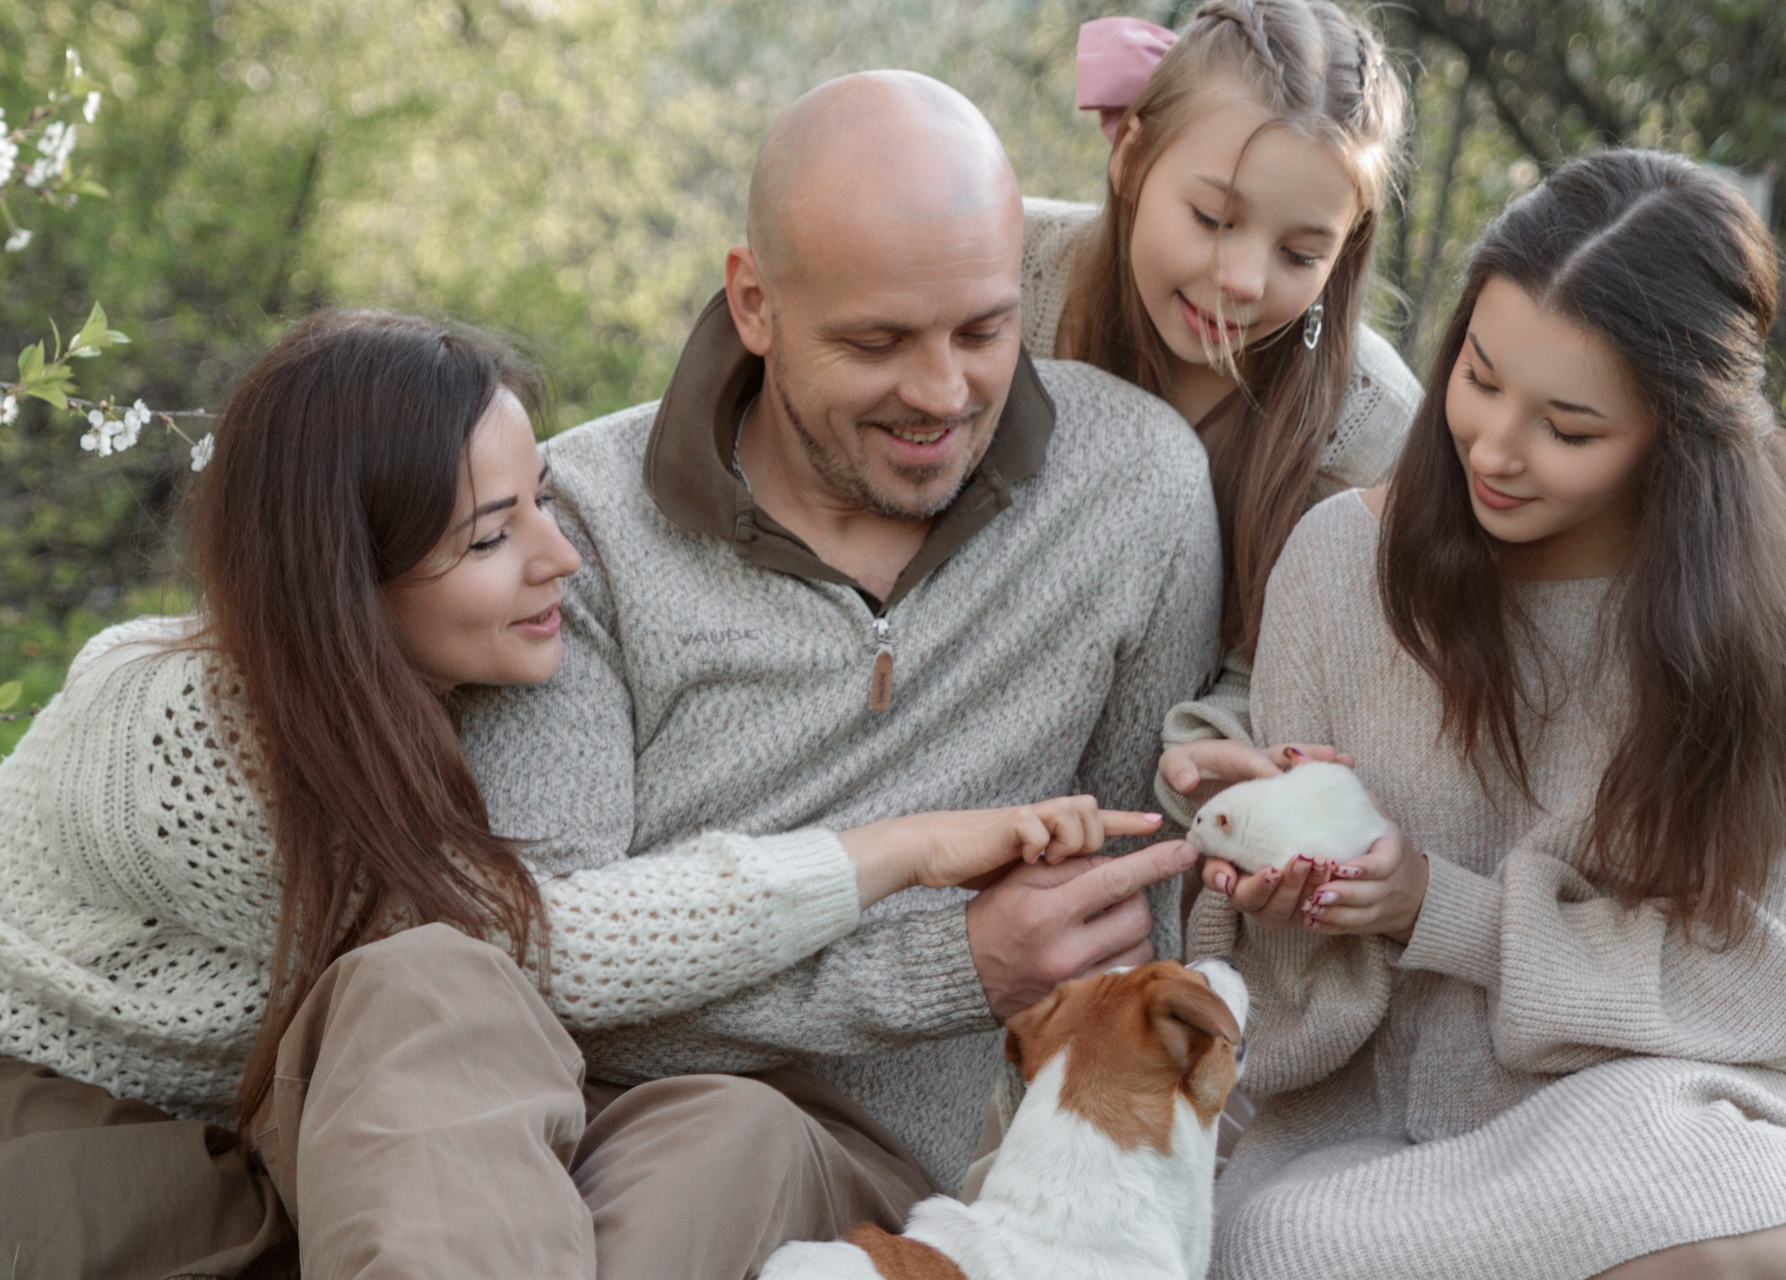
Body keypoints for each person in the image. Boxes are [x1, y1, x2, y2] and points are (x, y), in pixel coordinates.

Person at [0, 310, 1151, 1278]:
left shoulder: (434, 690)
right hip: (66, 1117)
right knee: (438, 982)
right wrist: (900, 852)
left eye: (541, 500)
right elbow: (548, 942)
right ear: (345, 578)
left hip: (297, 1126)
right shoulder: (176, 736)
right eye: (492, 536)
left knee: (721, 1127)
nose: (562, 556)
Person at [457, 69, 1221, 1277]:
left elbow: (1148, 904)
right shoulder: (574, 528)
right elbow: (542, 962)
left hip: (857, 1166)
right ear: (754, 302)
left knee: (727, 1137)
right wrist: (947, 965)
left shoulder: (1134, 489)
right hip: (540, 1114)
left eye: (983, 330)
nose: (942, 393)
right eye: (877, 341)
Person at [1189, 149, 1786, 1277]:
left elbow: (1773, 992)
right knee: (1286, 1242)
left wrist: (1441, 908)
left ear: (1683, 435)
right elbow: (1289, 1039)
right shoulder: (1337, 569)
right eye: (1479, 378)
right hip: (1392, 1145)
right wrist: (1289, 891)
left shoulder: (1782, 614)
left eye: (1568, 430)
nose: (1492, 448)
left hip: (1667, 1103)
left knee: (1655, 1156)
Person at [1016, 0, 1419, 824]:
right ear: (1132, 157)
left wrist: (1219, 746)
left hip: (1178, 828)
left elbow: (1300, 668)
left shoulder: (1372, 428)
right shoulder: (1006, 276)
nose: (1243, 279)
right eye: (1212, 218)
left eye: (1300, 254)